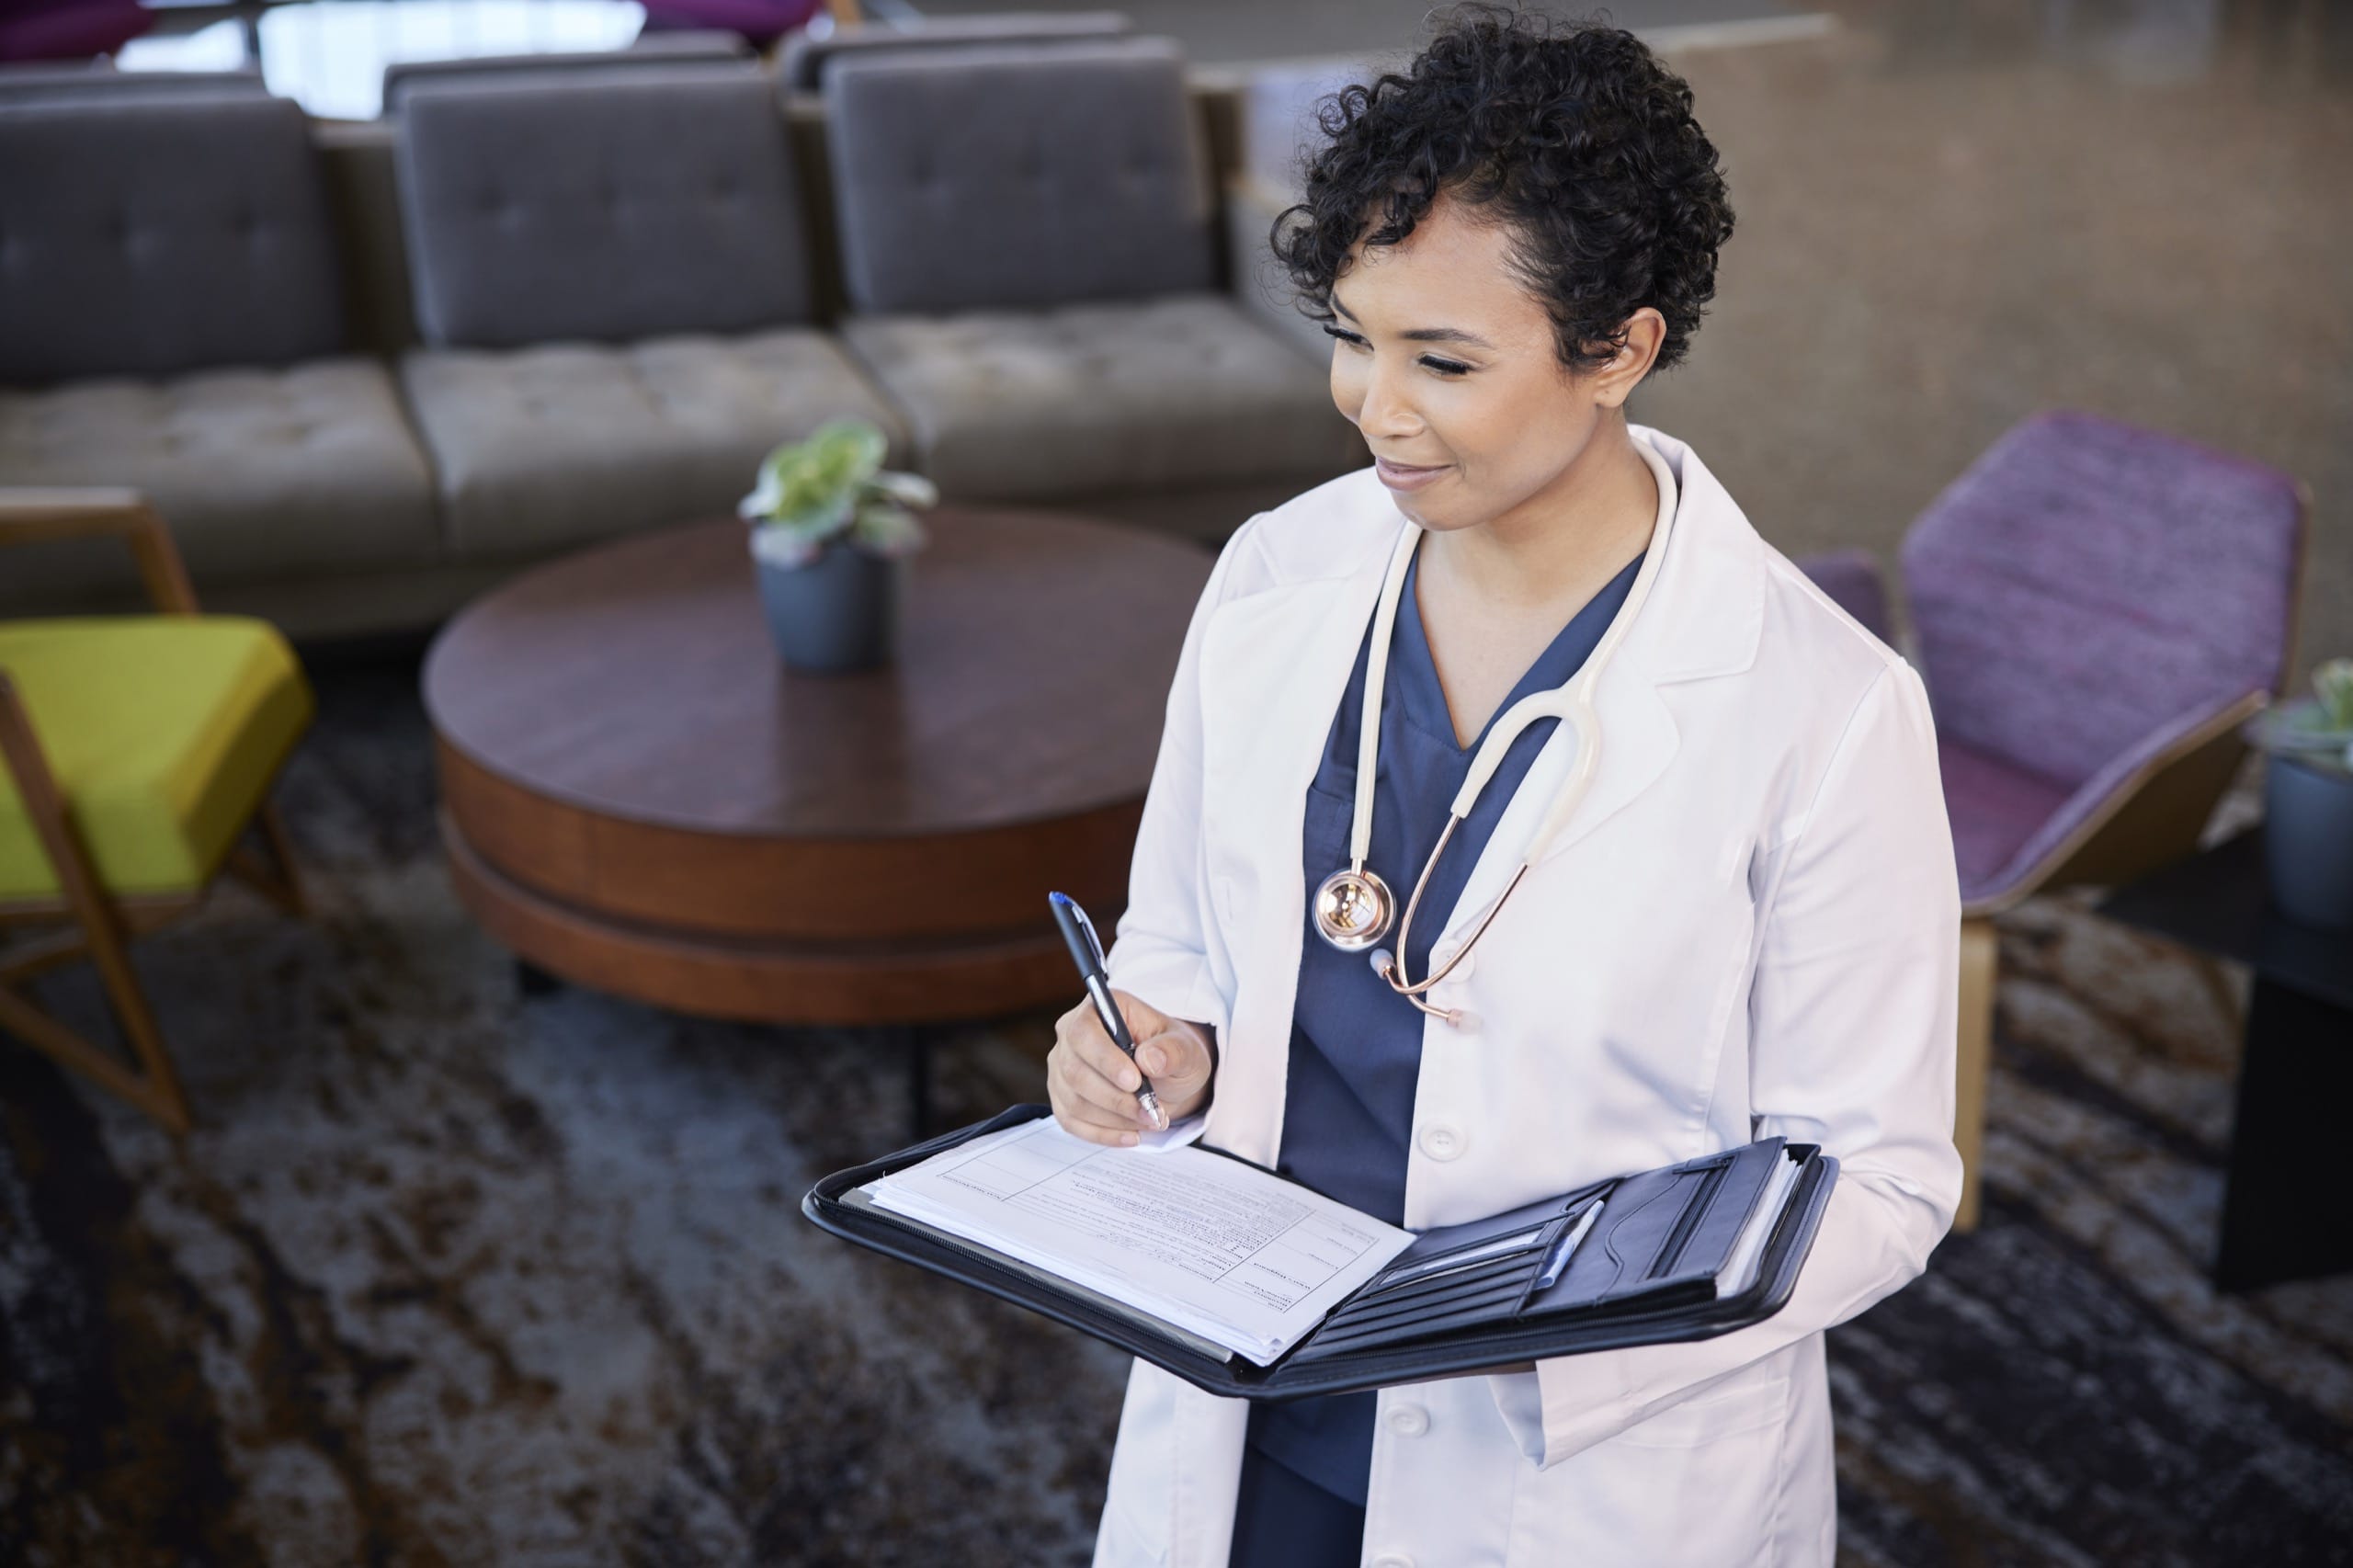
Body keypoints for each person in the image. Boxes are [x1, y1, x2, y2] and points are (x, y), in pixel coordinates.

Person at [1045, 6, 1963, 1564]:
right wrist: (1149, 1045)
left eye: (1443, 360)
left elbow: (1876, 1178)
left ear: (1620, 349)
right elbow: (1178, 940)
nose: (1373, 407)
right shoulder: (1278, 574)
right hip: (1246, 1410)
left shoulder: (1826, 709)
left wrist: (1557, 1321)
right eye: (1352, 333)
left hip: (1574, 1471)